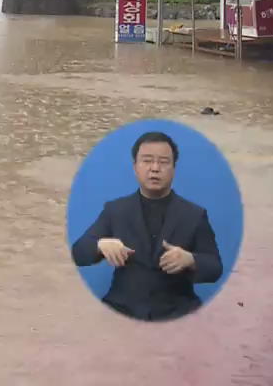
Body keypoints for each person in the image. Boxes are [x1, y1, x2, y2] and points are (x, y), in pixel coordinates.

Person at [71, 132, 223, 321]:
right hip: (121, 309)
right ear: (135, 167)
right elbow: (77, 253)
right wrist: (101, 245)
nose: (155, 168)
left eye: (164, 162)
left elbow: (215, 267)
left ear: (174, 168)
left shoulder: (194, 214)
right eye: (147, 161)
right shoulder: (115, 210)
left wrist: (191, 259)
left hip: (177, 312)